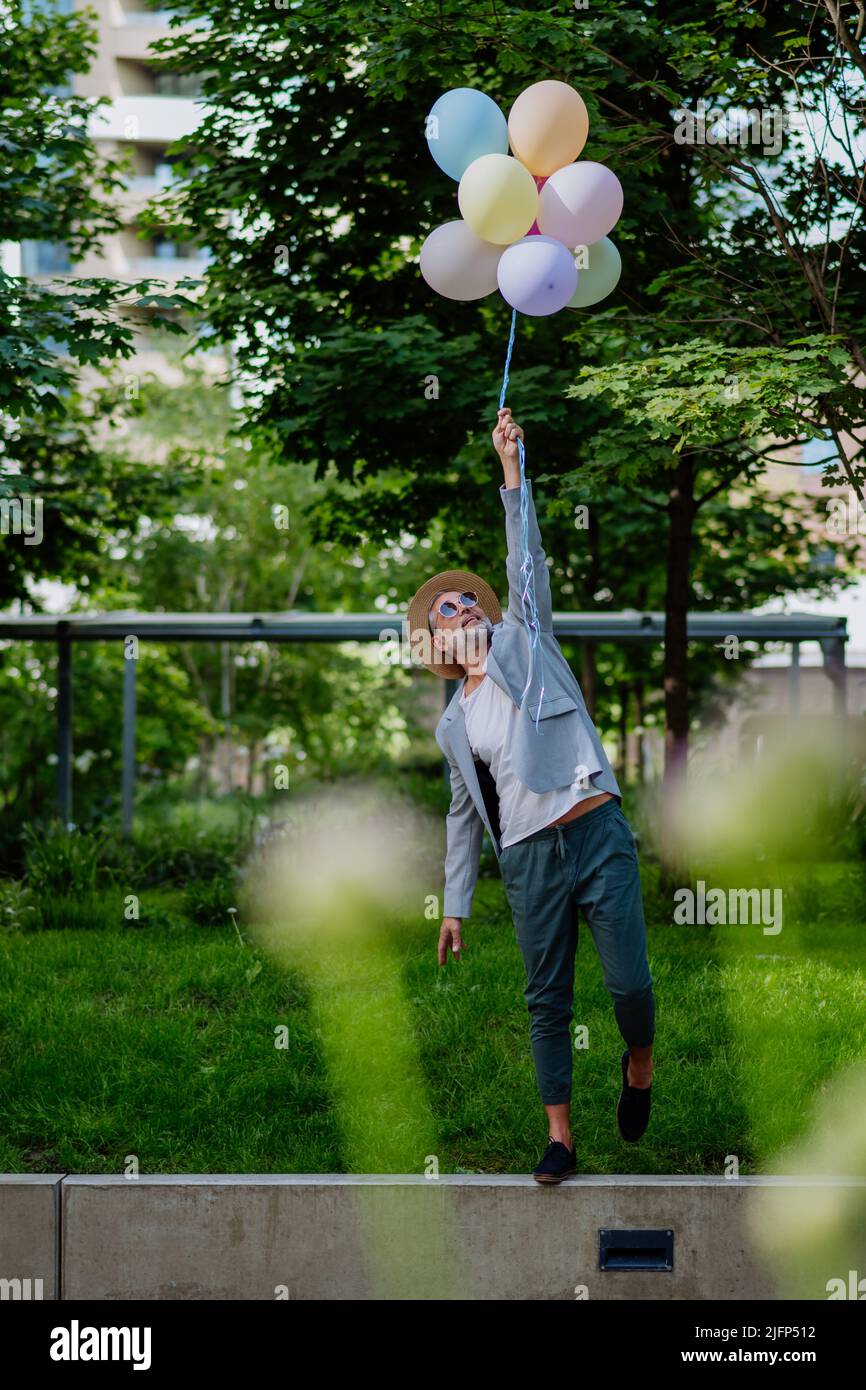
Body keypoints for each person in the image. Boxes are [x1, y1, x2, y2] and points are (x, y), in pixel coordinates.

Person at [405, 408, 656, 1183]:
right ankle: (561, 1139)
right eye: (448, 610)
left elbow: (525, 561)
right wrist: (454, 905)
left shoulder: (528, 636)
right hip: (527, 858)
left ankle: (639, 1066)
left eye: (468, 600)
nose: (465, 606)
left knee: (629, 984)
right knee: (546, 999)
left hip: (594, 828)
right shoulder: (455, 723)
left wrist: (512, 471)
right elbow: (461, 816)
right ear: (438, 647)